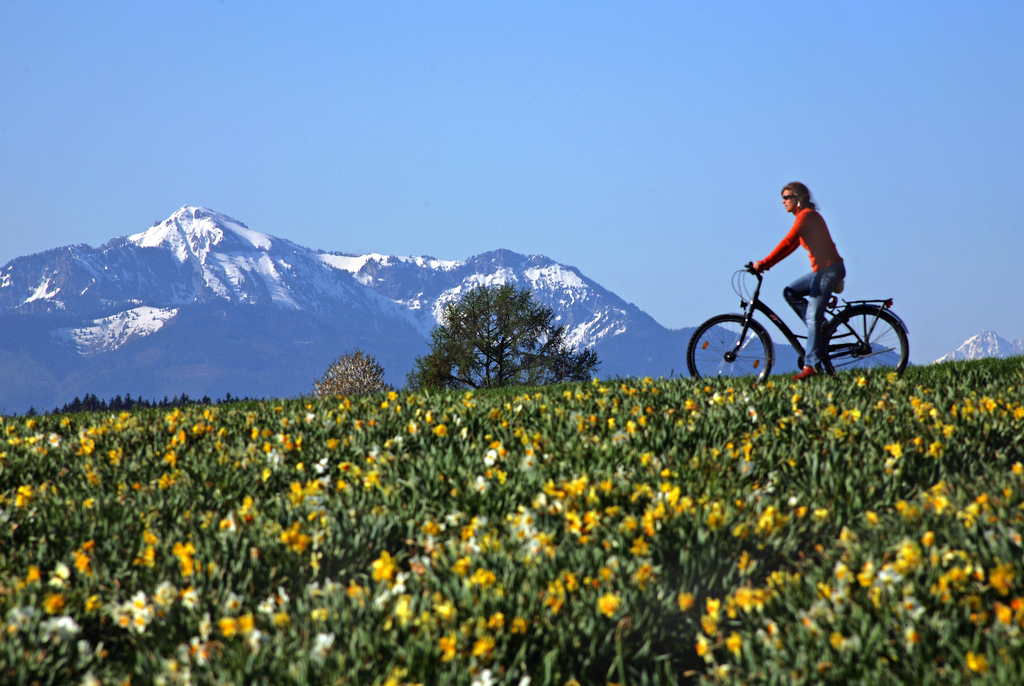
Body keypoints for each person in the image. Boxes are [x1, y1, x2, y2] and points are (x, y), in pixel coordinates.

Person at [752, 182, 845, 381]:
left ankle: (811, 365)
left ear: (799, 198)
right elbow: (791, 245)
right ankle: (819, 329)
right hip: (822, 271)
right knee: (790, 292)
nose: (783, 201)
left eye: (787, 197)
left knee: (812, 317)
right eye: (783, 197)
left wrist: (763, 263)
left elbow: (788, 241)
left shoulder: (807, 216)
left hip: (829, 270)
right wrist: (768, 265)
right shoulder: (803, 218)